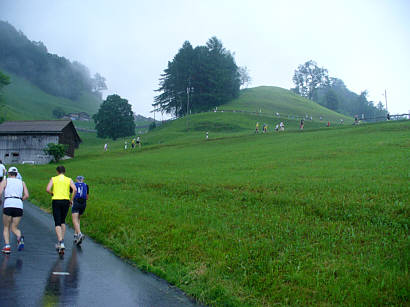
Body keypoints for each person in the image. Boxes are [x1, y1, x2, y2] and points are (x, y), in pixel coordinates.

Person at [46, 166, 76, 252]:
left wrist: (52, 193)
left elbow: (47, 189)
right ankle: (62, 241)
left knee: (57, 222)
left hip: (56, 200)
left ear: (57, 172)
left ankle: (60, 241)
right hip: (66, 201)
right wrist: (71, 200)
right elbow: (75, 189)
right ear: (64, 171)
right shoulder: (69, 179)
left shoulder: (54, 179)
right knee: (63, 221)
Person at [0, 167, 29, 254]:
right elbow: (27, 195)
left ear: (8, 173)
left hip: (8, 203)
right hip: (18, 205)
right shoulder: (22, 182)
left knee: (6, 227)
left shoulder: (5, 181)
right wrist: (20, 200)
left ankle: (7, 246)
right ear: (17, 174)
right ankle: (19, 237)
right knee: (14, 227)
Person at [71, 176, 89, 245]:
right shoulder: (86, 185)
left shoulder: (74, 184)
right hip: (83, 203)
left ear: (76, 180)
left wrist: (71, 200)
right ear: (83, 180)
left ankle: (79, 234)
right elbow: (87, 197)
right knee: (78, 218)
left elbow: (71, 192)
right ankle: (76, 236)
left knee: (74, 219)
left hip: (76, 202)